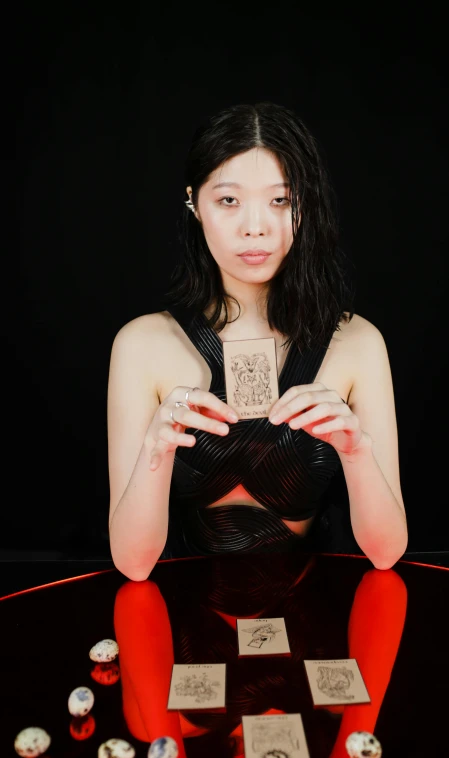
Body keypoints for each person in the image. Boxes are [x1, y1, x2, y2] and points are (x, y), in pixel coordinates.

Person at [107, 101, 408, 581]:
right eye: (228, 200)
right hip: (184, 612)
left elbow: (386, 554)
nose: (255, 226)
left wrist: (357, 451)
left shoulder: (357, 342)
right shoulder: (142, 345)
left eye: (281, 200)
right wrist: (154, 453)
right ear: (193, 202)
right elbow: (133, 564)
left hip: (315, 611)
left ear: (304, 205)